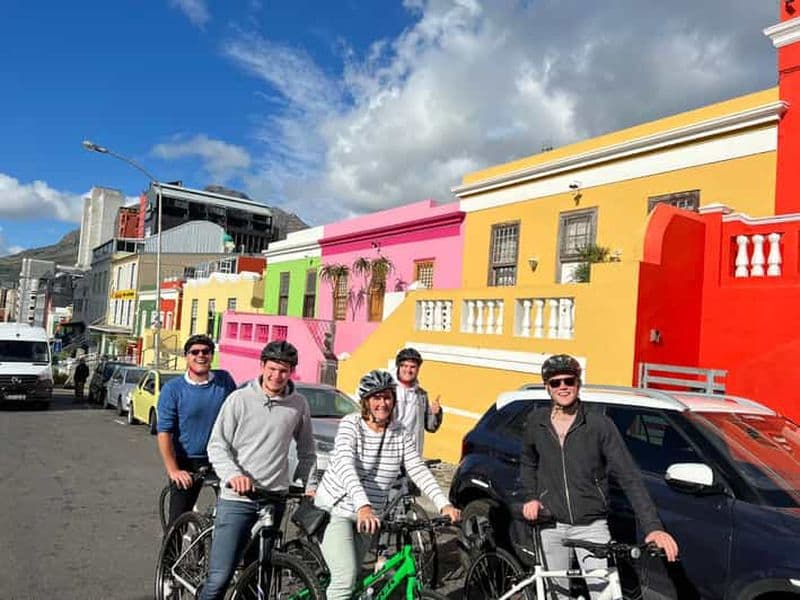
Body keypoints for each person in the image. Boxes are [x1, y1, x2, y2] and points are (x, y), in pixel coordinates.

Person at [519, 354, 679, 599]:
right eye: (555, 382)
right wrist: (531, 497)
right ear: (547, 387)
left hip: (591, 527)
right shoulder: (536, 422)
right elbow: (528, 462)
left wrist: (653, 527)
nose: (563, 387)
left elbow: (629, 477)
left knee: (604, 594)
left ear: (578, 384)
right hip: (550, 524)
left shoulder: (599, 425)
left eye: (569, 381)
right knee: (556, 595)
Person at [314, 369, 461, 600]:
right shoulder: (351, 424)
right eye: (376, 397)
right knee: (344, 581)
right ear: (366, 401)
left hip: (370, 518)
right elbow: (345, 464)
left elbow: (417, 468)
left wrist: (444, 504)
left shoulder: (399, 432)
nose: (382, 403)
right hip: (336, 511)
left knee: (354, 580)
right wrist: (363, 505)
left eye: (387, 397)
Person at [198, 340, 316, 600]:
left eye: (284, 370)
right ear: (262, 366)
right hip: (238, 498)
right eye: (272, 368)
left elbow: (307, 451)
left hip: (274, 499)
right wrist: (233, 475)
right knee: (220, 577)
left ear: (292, 371)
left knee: (260, 576)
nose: (277, 376)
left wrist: (308, 484)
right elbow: (217, 445)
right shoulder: (239, 399)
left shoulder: (298, 404)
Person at [156, 334, 236, 529]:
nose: (201, 356)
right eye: (195, 352)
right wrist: (174, 470)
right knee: (178, 520)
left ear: (211, 356)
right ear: (187, 356)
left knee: (234, 514)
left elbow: (238, 414)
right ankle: (172, 549)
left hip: (221, 457)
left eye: (206, 352)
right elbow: (164, 432)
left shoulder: (224, 380)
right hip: (187, 461)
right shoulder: (173, 389)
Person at [393, 347, 442, 456]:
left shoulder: (421, 395)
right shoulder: (388, 391)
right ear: (398, 367)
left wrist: (436, 413)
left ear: (418, 369)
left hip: (412, 453)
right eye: (404, 366)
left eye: (412, 367)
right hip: (391, 452)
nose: (408, 370)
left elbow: (431, 427)